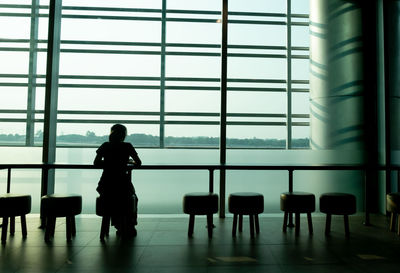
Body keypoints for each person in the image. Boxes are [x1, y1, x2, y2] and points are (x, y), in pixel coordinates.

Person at [94, 124, 142, 236]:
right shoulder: (127, 146)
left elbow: (96, 162)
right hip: (123, 183)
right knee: (130, 199)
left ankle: (118, 225)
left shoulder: (105, 145)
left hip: (106, 184)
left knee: (112, 200)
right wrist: (126, 162)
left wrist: (110, 163)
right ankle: (129, 226)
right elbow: (138, 163)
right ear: (124, 135)